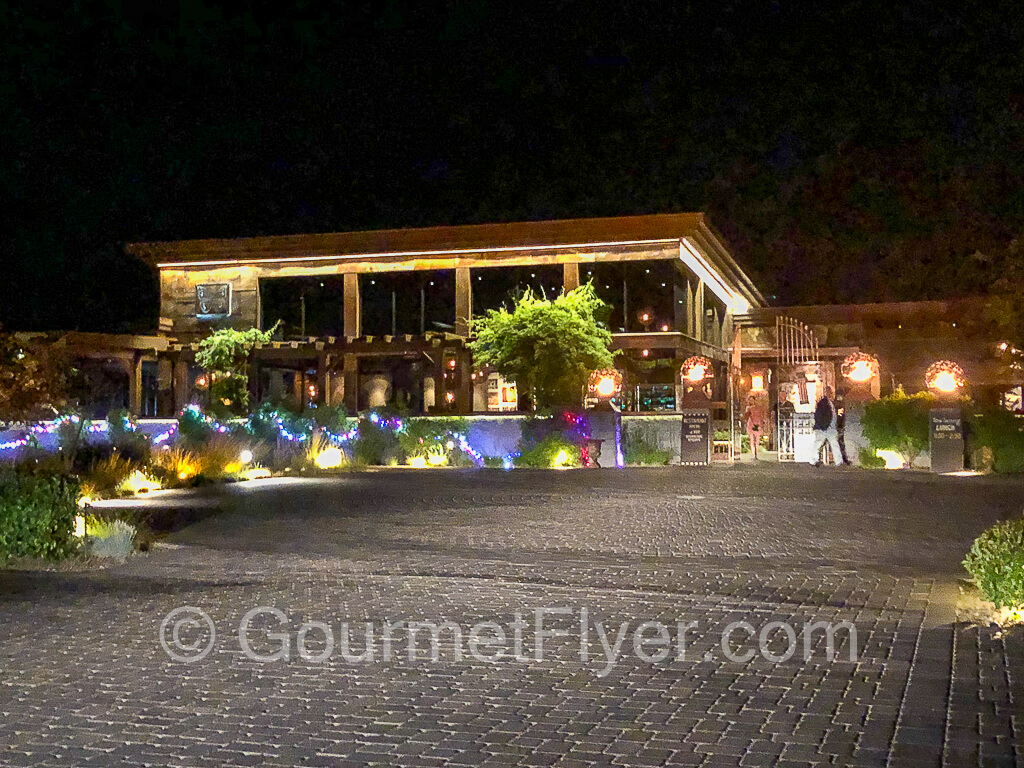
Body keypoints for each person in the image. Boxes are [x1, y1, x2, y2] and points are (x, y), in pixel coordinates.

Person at [810, 386, 843, 466]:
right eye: (828, 392)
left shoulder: (829, 402)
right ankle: (813, 459)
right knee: (820, 443)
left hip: (828, 427)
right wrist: (822, 425)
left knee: (823, 443)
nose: (829, 394)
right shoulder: (823, 403)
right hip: (825, 427)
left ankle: (838, 461)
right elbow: (819, 415)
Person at [743, 395, 766, 459]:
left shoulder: (758, 408)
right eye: (750, 400)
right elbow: (746, 416)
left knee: (757, 439)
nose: (751, 401)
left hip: (757, 423)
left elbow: (761, 416)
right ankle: (754, 454)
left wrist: (761, 424)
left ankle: (756, 453)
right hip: (751, 423)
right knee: (752, 439)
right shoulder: (748, 408)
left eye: (752, 400)